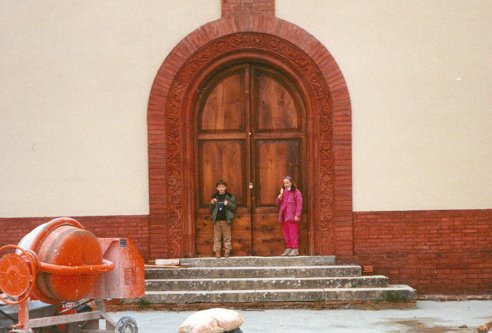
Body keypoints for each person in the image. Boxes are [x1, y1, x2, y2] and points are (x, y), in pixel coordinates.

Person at [275, 176, 303, 256]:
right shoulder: (283, 192)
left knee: (293, 233)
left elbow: (299, 204)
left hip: (292, 217)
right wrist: (279, 197)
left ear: (291, 182)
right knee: (286, 234)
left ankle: (295, 249)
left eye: (287, 182)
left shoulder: (296, 192)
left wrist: (297, 215)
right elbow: (277, 204)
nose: (286, 184)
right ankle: (289, 248)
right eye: (284, 183)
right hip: (284, 217)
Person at [209, 180, 237, 258]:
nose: (221, 188)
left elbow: (234, 207)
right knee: (217, 237)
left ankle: (227, 251)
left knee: (227, 237)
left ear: (225, 187)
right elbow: (210, 208)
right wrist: (211, 203)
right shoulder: (214, 197)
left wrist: (228, 204)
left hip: (226, 220)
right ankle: (217, 252)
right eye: (219, 187)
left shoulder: (229, 196)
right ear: (217, 188)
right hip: (217, 220)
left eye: (223, 186)